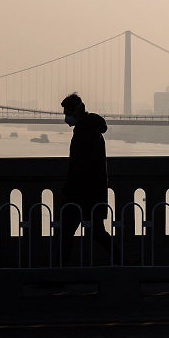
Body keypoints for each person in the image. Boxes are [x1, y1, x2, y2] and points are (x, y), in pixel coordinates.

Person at [58, 92, 111, 265]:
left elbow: (81, 166)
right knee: (97, 233)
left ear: (77, 111)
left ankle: (57, 276)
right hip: (92, 193)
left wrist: (68, 190)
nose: (66, 118)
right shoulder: (90, 129)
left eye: (67, 113)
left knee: (66, 233)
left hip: (83, 194)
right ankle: (126, 266)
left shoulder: (85, 132)